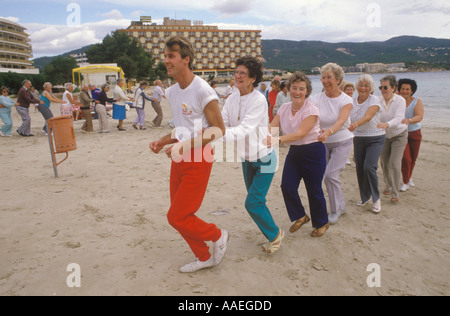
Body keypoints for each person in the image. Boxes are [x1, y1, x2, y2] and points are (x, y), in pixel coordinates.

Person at [149, 36, 228, 273]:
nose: (166, 61)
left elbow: (218, 130)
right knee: (180, 214)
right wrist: (164, 140)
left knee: (177, 216)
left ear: (186, 59)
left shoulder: (203, 90)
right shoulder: (171, 92)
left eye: (171, 56)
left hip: (199, 157)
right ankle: (203, 256)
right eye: (165, 56)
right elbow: (183, 127)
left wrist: (183, 146)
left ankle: (217, 235)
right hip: (179, 158)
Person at [221, 56, 284, 254]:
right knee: (257, 201)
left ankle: (275, 235)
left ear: (252, 78)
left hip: (265, 158)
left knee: (252, 202)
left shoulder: (258, 100)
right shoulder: (232, 98)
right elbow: (221, 121)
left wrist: (213, 135)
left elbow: (243, 129)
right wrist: (207, 129)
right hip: (247, 159)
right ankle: (271, 232)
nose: (238, 76)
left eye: (243, 73)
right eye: (236, 72)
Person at [267, 71, 329, 237]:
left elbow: (301, 133)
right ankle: (301, 215)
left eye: (301, 89)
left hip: (313, 152)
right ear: (288, 89)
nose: (297, 92)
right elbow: (273, 127)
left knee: (314, 189)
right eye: (294, 88)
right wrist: (264, 137)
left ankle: (322, 222)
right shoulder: (284, 108)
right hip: (295, 152)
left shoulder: (311, 109)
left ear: (307, 91)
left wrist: (278, 140)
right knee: (287, 186)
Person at [310, 63, 353, 220]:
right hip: (322, 143)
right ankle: (341, 205)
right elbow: (308, 118)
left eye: (329, 77)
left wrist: (329, 131)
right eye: (323, 77)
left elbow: (341, 121)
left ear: (338, 79)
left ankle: (335, 210)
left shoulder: (346, 100)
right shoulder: (315, 99)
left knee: (330, 175)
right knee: (328, 176)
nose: (325, 81)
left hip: (342, 140)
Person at [348, 75, 386, 215]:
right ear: (357, 87)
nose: (363, 88)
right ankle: (365, 197)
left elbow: (369, 116)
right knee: (359, 168)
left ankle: (376, 199)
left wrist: (355, 125)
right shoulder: (351, 100)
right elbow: (344, 115)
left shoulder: (374, 99)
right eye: (361, 85)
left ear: (371, 88)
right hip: (359, 138)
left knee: (369, 167)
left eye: (366, 85)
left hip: (376, 137)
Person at [377, 75, 408, 204]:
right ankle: (388, 185)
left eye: (385, 87)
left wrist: (386, 124)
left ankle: (395, 192)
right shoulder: (378, 101)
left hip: (399, 135)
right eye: (381, 87)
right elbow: (375, 116)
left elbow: (399, 118)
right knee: (384, 162)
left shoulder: (400, 101)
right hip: (384, 136)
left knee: (395, 163)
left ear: (394, 88)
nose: (383, 90)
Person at [399, 79, 424, 192]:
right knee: (406, 158)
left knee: (413, 158)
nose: (405, 91)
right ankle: (405, 182)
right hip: (400, 133)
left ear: (412, 90)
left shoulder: (417, 101)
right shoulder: (397, 101)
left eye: (407, 89)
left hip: (414, 132)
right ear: (399, 89)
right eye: (403, 88)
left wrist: (409, 120)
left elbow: (419, 116)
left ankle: (408, 177)